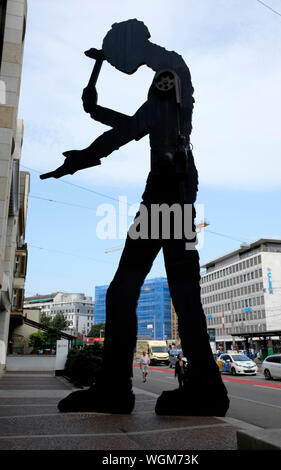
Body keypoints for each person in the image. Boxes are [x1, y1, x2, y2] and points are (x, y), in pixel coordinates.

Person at [51, 19, 229, 416]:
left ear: (134, 46)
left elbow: (130, 128)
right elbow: (133, 126)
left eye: (120, 57)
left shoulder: (171, 73)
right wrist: (91, 122)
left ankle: (123, 388)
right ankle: (195, 387)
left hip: (170, 190)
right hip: (170, 189)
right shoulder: (166, 91)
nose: (118, 65)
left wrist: (85, 152)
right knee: (165, 292)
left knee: (143, 291)